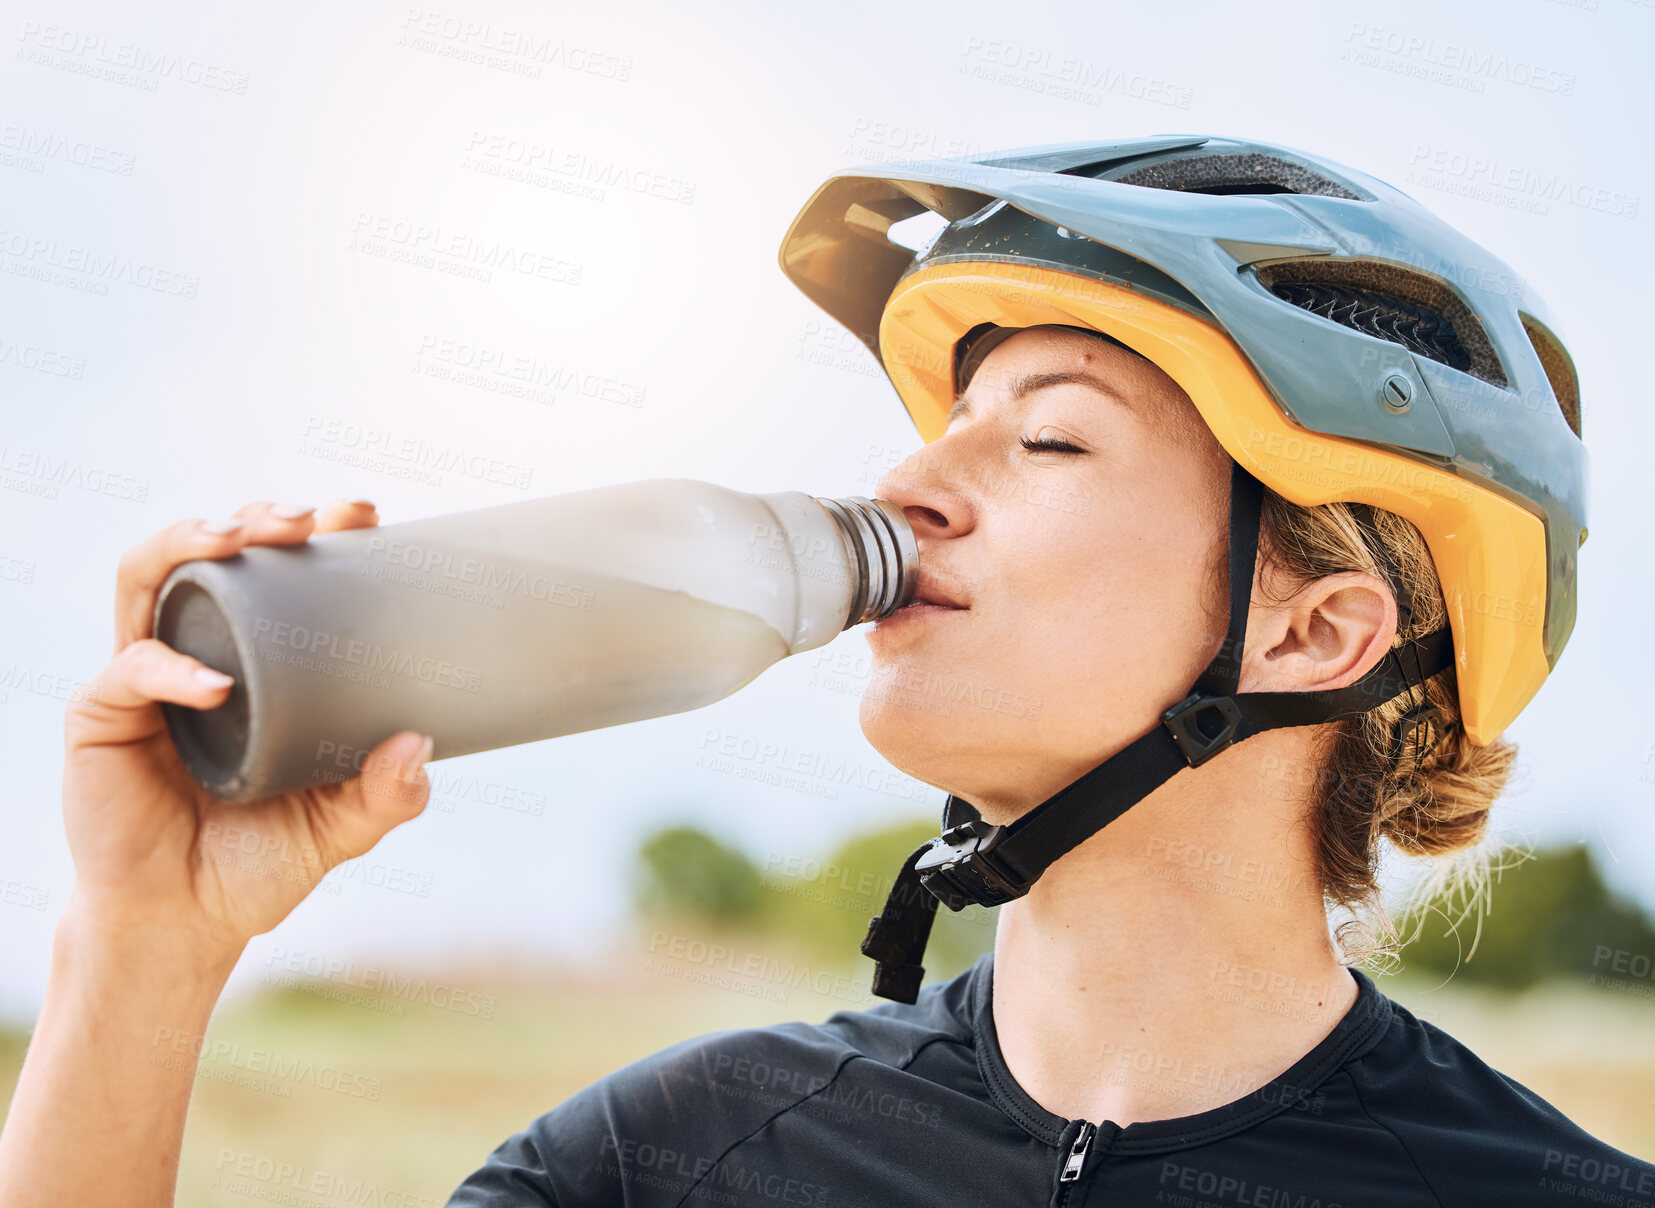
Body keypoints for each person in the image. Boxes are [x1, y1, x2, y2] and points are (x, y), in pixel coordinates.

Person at [0, 135, 1647, 1207]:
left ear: (1310, 631)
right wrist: (142, 952)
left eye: (1052, 437)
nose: (908, 491)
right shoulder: (670, 1164)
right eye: (943, 431)